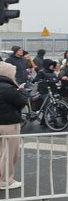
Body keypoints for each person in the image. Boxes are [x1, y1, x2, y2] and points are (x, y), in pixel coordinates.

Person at [0, 62, 28, 190]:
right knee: (9, 153)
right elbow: (21, 102)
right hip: (9, 124)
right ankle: (6, 180)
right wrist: (22, 91)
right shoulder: (8, 88)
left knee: (1, 152)